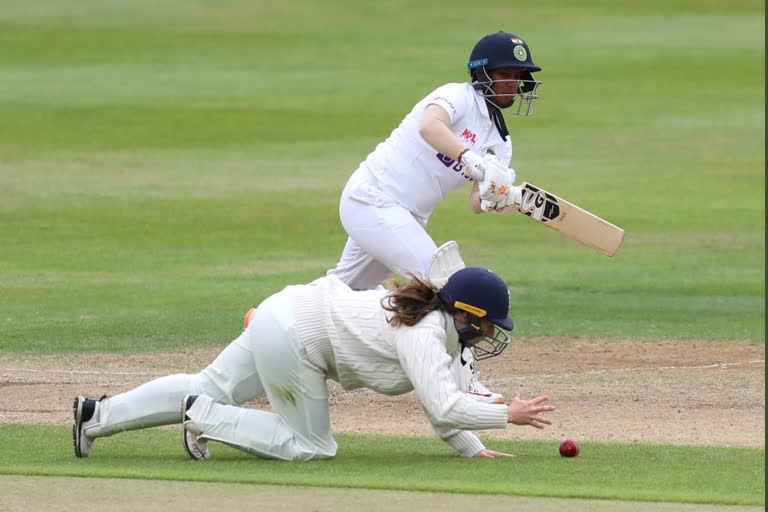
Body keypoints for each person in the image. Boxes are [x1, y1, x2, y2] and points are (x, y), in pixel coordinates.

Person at [73, 259, 555, 461]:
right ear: (466, 314)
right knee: (312, 447)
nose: (491, 334)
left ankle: (95, 416)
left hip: (281, 312)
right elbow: (445, 408)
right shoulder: (425, 334)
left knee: (209, 381)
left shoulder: (443, 335)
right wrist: (505, 415)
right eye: (490, 324)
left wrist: (474, 448)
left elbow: (443, 408)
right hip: (295, 337)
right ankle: (203, 417)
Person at [326, 31, 543, 404]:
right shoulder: (457, 96)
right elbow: (430, 127)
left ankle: (266, 324)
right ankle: (463, 379)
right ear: (482, 74)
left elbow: (478, 202)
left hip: (406, 217)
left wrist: (503, 194)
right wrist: (471, 158)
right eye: (504, 73)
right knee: (445, 280)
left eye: (517, 75)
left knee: (341, 292)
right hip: (373, 197)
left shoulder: (501, 143)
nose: (513, 82)